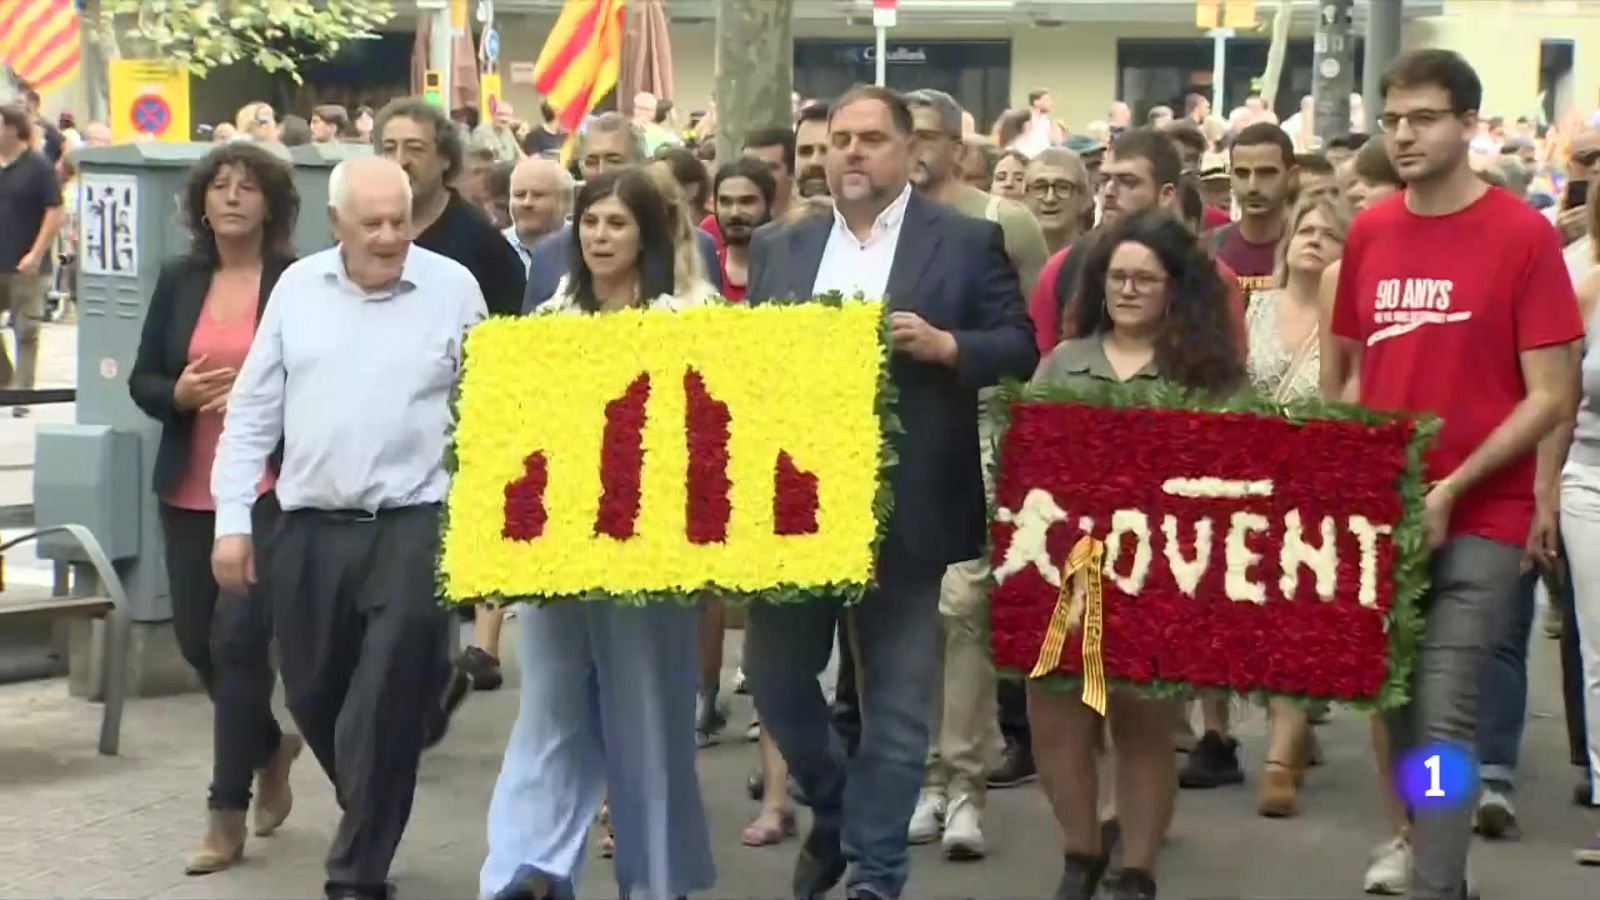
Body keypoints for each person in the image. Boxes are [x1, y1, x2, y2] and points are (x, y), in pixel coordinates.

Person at [744, 84, 1037, 900]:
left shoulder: (966, 240)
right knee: (774, 677)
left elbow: (1020, 345)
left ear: (910, 152)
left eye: (872, 139)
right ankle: (837, 810)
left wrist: (949, 346)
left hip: (908, 507)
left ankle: (877, 872)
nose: (853, 153)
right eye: (840, 139)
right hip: (795, 507)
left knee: (900, 710)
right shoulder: (783, 247)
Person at [1328, 49, 1583, 899]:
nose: (1403, 134)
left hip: (1482, 513)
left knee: (1444, 719)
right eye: (1392, 119)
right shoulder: (1369, 232)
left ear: (1468, 125)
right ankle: (1422, 842)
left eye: (1424, 118)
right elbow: (1359, 371)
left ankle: (1439, 881)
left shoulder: (1521, 233)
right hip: (1387, 513)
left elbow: (1550, 393)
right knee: (1396, 710)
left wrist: (1451, 486)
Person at [211, 156, 487, 900]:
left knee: (384, 695)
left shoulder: (453, 289)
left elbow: (487, 410)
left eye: (400, 220)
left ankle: (356, 874)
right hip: (307, 527)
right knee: (312, 694)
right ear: (335, 225)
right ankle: (372, 793)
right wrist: (232, 521)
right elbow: (253, 413)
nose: (390, 236)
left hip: (414, 522)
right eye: (372, 224)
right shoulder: (297, 290)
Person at [480, 167, 716, 900]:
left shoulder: (689, 322)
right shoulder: (550, 320)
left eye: (616, 223)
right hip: (559, 552)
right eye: (589, 223)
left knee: (647, 723)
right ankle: (529, 869)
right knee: (548, 708)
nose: (599, 237)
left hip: (653, 558)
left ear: (645, 233)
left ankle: (658, 881)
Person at [1033, 209, 1245, 900]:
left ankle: (1137, 871)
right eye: (1117, 277)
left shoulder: (1211, 378)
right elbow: (1026, 461)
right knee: (1057, 721)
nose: (1127, 290)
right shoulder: (1065, 362)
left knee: (1143, 724)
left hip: (1164, 577)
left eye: (1144, 280)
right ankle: (1081, 851)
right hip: (1066, 571)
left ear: (1174, 289)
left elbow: (1245, 477)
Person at [128, 141, 305, 875]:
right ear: (202, 202)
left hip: (262, 492)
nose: (232, 196)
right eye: (220, 186)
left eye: (247, 186)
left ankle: (224, 814)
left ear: (271, 203)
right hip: (187, 488)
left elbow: (320, 383)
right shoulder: (179, 278)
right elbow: (143, 378)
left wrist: (266, 405)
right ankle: (268, 744)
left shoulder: (297, 282)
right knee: (199, 643)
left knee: (237, 647)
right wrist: (179, 395)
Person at [1242, 195, 1351, 818]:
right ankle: (1294, 719)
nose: (1313, 239)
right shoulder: (1254, 306)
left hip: (1319, 482)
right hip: (1251, 479)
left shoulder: (1347, 318)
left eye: (1328, 233)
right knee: (1257, 618)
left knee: (1298, 614)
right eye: (1304, 228)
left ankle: (1279, 756)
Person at [1028, 128, 1248, 360]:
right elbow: (1043, 375)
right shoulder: (1062, 267)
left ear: (1166, 195)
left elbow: (1229, 377)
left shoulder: (1213, 278)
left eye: (1128, 182)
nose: (1109, 192)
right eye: (1105, 180)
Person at [374, 97, 526, 317]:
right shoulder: (363, 229)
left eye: (415, 149)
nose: (400, 161)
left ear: (445, 158)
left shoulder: (482, 242)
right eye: (389, 149)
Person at [1201, 122, 1298, 318]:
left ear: (1292, 176)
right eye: (1242, 173)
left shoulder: (1308, 250)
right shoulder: (1205, 251)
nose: (1252, 186)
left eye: (1266, 173)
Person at [0, 104, 62, 411]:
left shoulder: (38, 166)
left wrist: (36, 253)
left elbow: (54, 210)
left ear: (11, 129)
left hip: (26, 264)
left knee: (26, 329)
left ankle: (21, 393)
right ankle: (5, 380)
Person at [712, 157, 775, 303]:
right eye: (725, 202)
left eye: (747, 201)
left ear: (769, 204)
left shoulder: (791, 270)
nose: (735, 213)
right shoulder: (703, 273)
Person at [504, 157, 574, 273]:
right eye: (519, 195)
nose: (527, 203)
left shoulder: (582, 244)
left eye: (537, 195)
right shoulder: (494, 248)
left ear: (564, 201)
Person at [1024, 147, 1094, 254]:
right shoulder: (1005, 261)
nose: (1050, 198)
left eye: (1062, 187)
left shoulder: (1100, 261)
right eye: (1039, 187)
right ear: (1025, 196)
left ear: (1084, 198)